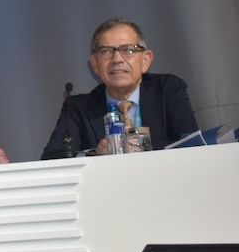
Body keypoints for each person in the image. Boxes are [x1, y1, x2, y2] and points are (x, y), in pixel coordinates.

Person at [41, 18, 199, 159]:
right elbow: (52, 158)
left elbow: (192, 145)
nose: (117, 59)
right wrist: (97, 155)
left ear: (145, 60)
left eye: (128, 50)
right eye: (106, 52)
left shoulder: (167, 90)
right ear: (95, 64)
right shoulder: (78, 108)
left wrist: (142, 148)